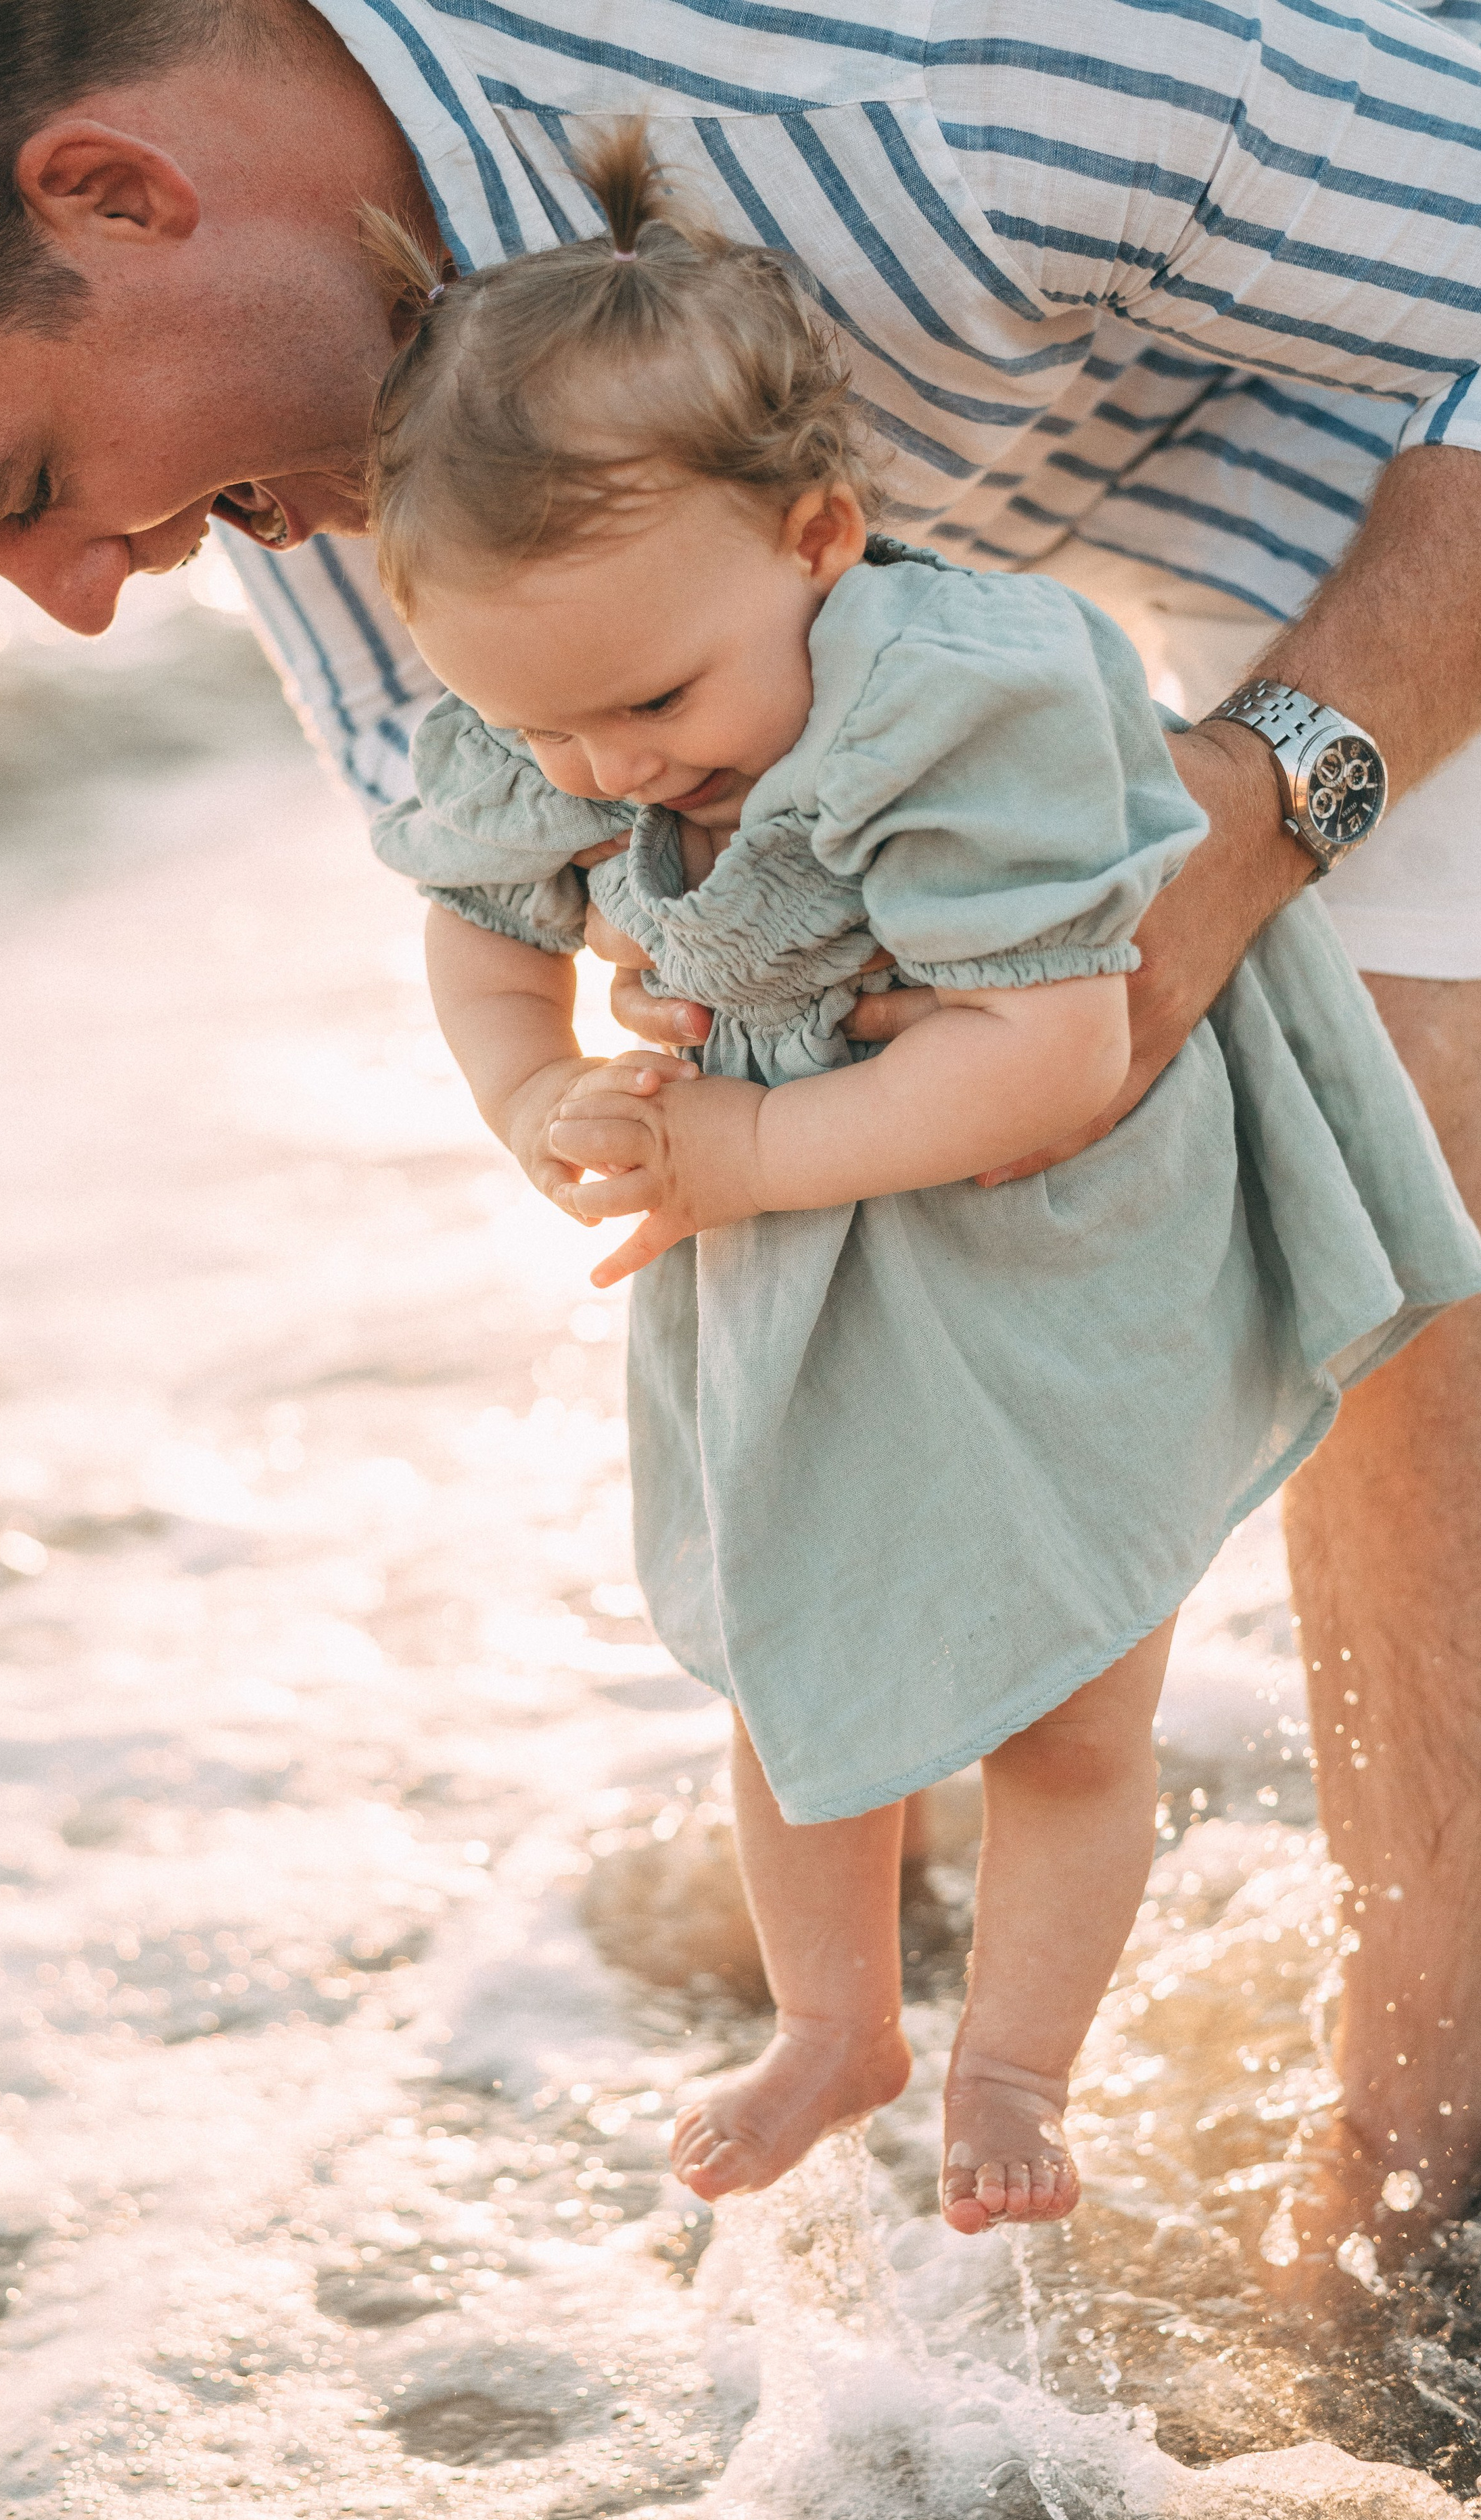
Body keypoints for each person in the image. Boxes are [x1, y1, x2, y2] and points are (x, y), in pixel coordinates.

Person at [0, 0, 1481, 2233]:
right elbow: (500, 897)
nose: (81, 602)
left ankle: (1423, 2112)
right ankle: (906, 1769)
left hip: (1394, 402)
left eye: (26, 495)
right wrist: (615, 1087)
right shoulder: (306, 452)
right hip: (1014, 560)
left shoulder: (910, 75)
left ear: (117, 192)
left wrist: (1260, 806)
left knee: (1405, 1072)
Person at [356, 131, 1481, 2227]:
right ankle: (833, 2023)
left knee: (1069, 1696)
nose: (608, 771)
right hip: (792, 1245)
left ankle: (1020, 2068)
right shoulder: (567, 706)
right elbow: (483, 922)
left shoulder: (968, 701)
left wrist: (742, 1142)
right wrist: (537, 1094)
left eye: (654, 704)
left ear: (820, 538)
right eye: (550, 727)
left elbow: (1058, 1053)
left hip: (1063, 1223)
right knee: (802, 1674)